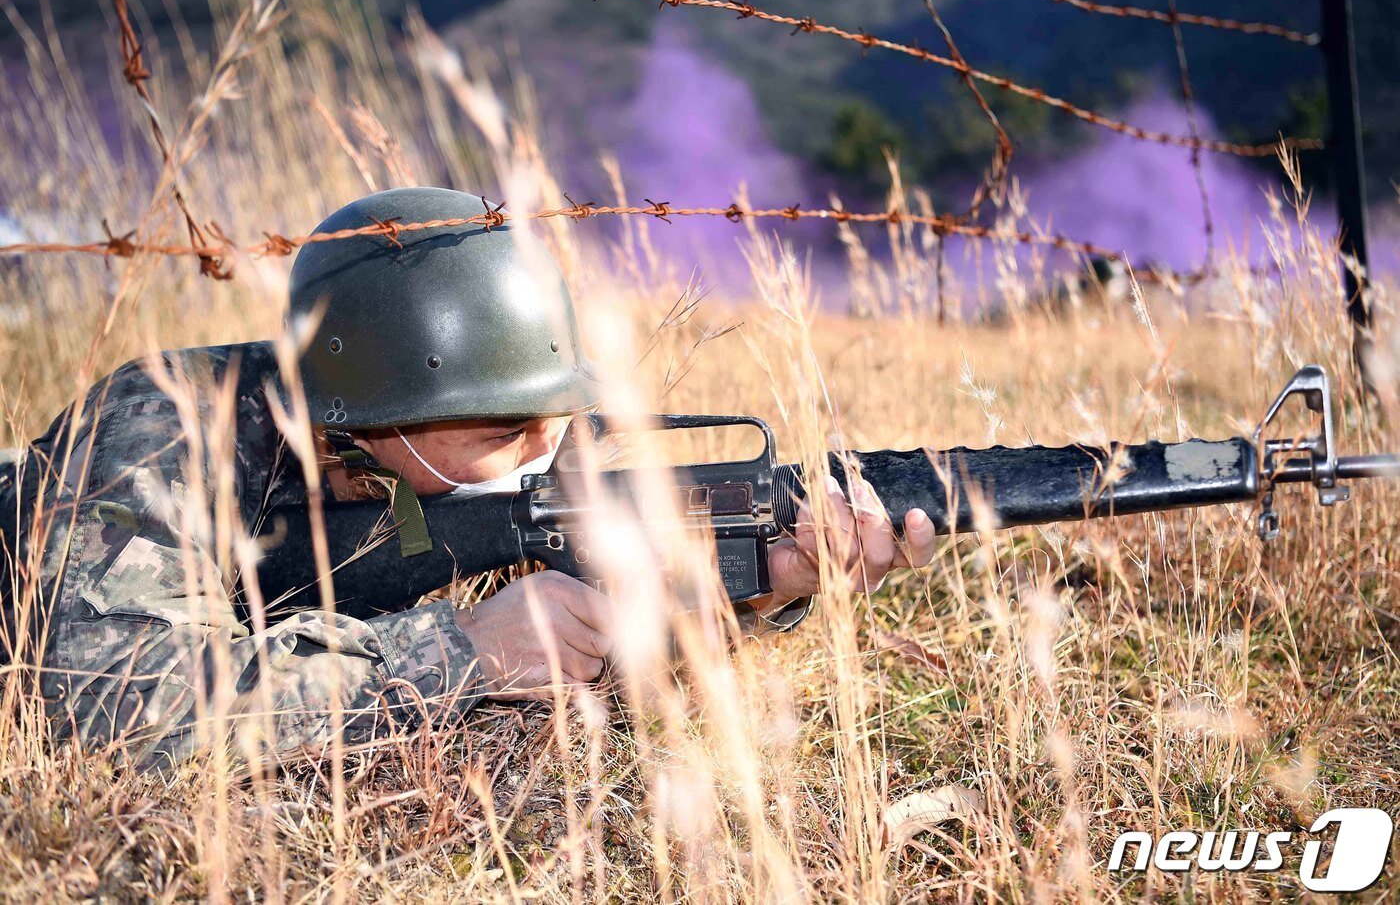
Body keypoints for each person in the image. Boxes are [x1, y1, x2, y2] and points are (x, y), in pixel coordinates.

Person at [0, 187, 937, 768]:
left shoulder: (492, 457)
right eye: (503, 432)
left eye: (553, 421)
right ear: (363, 425)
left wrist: (749, 586)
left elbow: (591, 622)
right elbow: (111, 706)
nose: (542, 454)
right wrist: (460, 655)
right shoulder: (157, 428)